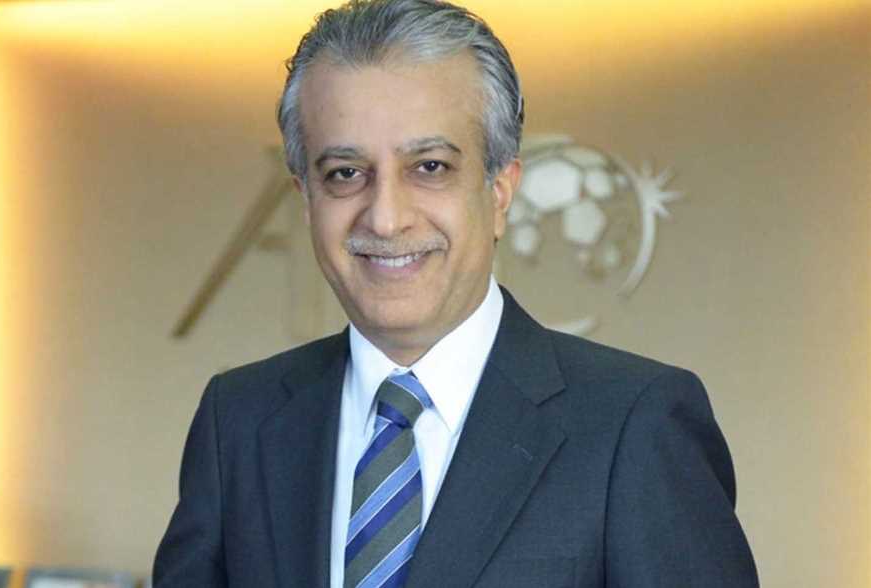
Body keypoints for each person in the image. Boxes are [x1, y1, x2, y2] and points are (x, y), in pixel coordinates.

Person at [153, 1, 759, 586]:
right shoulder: (237, 421)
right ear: (307, 201)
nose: (386, 217)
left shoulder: (636, 423)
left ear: (500, 190)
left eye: (430, 167)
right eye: (345, 174)